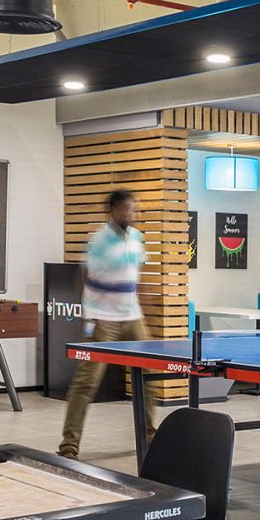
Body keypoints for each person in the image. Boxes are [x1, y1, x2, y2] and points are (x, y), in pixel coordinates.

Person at [59, 188, 157, 459]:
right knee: (86, 382)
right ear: (113, 211)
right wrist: (92, 313)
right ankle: (69, 446)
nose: (130, 213)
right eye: (125, 209)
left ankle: (150, 437)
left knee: (149, 375)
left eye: (132, 208)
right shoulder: (99, 240)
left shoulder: (137, 237)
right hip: (103, 320)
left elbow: (138, 274)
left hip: (132, 317)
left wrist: (143, 302)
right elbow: (82, 277)